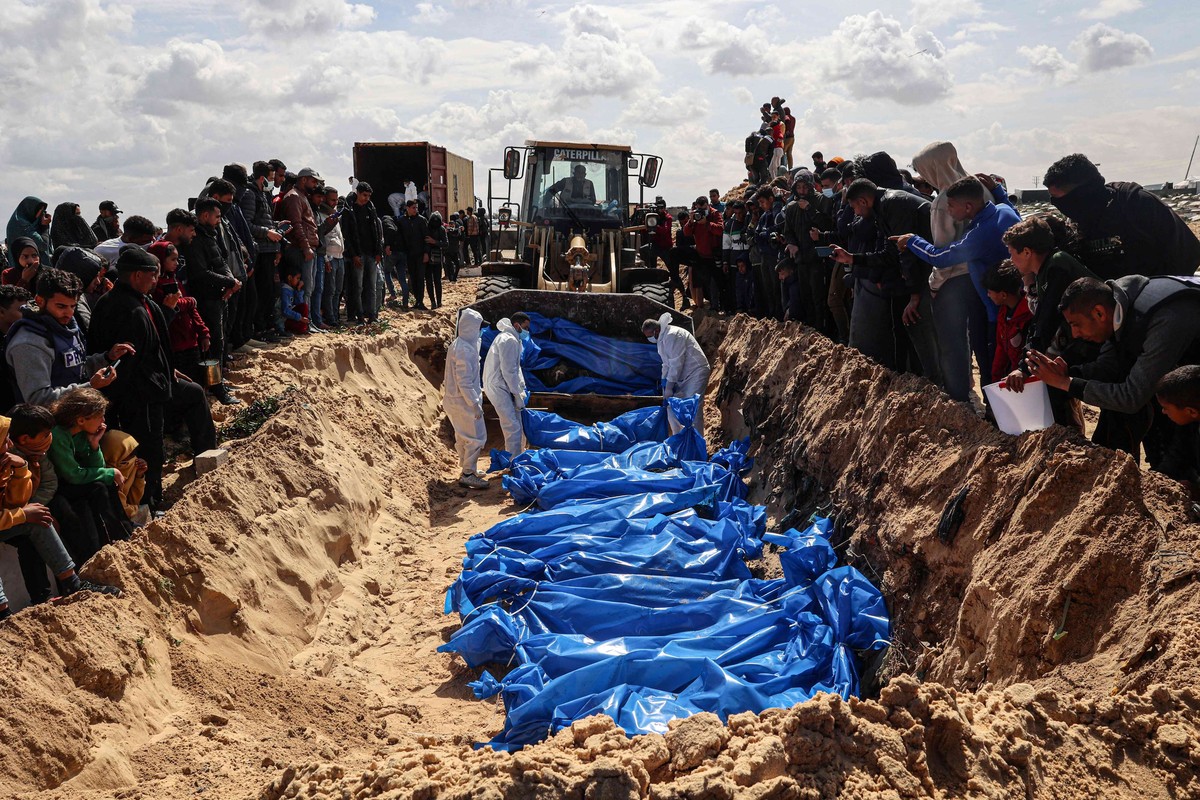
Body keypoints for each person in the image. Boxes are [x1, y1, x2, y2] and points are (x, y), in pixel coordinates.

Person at [1029, 276, 1200, 478]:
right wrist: (1069, 375)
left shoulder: (1163, 319)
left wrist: (1066, 383)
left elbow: (1132, 397)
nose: (1074, 334)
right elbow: (1110, 366)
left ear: (1099, 313)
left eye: (1076, 324)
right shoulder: (1119, 308)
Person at [89, 246, 217, 510]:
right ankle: (150, 500)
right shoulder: (123, 307)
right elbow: (130, 361)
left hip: (158, 380)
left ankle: (206, 455)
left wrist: (168, 370)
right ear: (137, 275)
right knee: (150, 446)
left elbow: (155, 344)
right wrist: (155, 386)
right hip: (140, 394)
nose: (156, 280)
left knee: (193, 393)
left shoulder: (140, 300)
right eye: (153, 274)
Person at [893, 175, 1019, 387]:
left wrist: (912, 240)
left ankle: (994, 413)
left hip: (995, 312)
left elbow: (940, 257)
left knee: (991, 364)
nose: (948, 211)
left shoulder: (979, 235)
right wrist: (997, 190)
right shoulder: (1003, 212)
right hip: (1016, 303)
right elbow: (1010, 207)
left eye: (951, 206)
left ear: (968, 206)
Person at [0, 409, 119, 618]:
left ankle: (73, 584)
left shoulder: (9, 460)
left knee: (39, 520)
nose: (8, 445)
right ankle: (3, 613)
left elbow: (15, 501)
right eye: (4, 441)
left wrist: (20, 470)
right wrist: (22, 514)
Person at [830, 179, 940, 383]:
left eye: (854, 207)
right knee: (907, 328)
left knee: (919, 327)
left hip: (931, 272)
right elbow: (889, 254)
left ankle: (934, 385)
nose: (855, 213)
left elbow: (905, 251)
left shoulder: (894, 204)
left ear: (863, 201)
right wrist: (852, 258)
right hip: (920, 273)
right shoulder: (883, 207)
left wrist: (914, 296)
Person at [910, 141, 991, 403]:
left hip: (954, 282)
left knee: (952, 343)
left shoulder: (944, 200)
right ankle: (992, 401)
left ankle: (959, 398)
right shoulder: (981, 190)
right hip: (983, 276)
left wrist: (934, 284)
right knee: (983, 340)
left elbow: (943, 254)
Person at [1001, 215, 1098, 427]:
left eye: (1011, 254)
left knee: (1057, 391)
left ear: (1027, 252)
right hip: (1081, 341)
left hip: (1096, 341)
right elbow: (1040, 323)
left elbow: (1046, 322)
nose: (1011, 261)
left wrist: (1024, 368)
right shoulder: (1046, 269)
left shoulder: (1057, 266)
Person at [1043, 153, 1200, 279]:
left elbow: (1187, 255)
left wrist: (1153, 294)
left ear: (1084, 193)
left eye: (1061, 199)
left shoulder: (1136, 204)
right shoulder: (1076, 220)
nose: (1060, 206)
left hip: (1155, 304)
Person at [5, 268, 130, 407]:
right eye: (61, 306)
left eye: (73, 306)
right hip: (48, 426)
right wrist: (90, 386)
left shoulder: (65, 327)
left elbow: (73, 368)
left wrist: (106, 358)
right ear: (40, 301)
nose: (69, 313)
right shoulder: (29, 343)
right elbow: (37, 399)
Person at [47, 388, 135, 555]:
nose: (103, 420)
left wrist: (94, 444)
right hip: (59, 487)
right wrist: (110, 473)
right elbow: (72, 474)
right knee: (101, 486)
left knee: (105, 484)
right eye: (99, 416)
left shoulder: (82, 433)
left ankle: (123, 532)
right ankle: (120, 536)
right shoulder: (58, 435)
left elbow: (97, 465)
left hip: (74, 481)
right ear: (81, 420)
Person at [179, 198, 240, 404]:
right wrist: (229, 281)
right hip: (206, 298)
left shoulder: (209, 235)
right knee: (212, 344)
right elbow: (200, 272)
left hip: (219, 295)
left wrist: (231, 282)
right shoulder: (196, 239)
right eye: (217, 216)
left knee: (220, 341)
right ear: (205, 216)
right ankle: (215, 387)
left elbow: (221, 261)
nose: (219, 220)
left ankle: (218, 382)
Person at [444, 309, 489, 489]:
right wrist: (475, 403)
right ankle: (468, 474)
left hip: (456, 399)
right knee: (476, 438)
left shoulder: (459, 344)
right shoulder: (464, 350)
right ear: (471, 328)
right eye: (478, 328)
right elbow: (464, 381)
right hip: (462, 401)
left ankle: (468, 468)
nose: (480, 331)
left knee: (463, 437)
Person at [642, 313, 710, 433]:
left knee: (693, 407)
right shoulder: (661, 339)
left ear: (657, 330)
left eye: (650, 336)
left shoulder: (673, 335)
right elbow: (666, 364)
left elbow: (676, 363)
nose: (650, 339)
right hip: (682, 376)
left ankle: (697, 444)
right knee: (671, 407)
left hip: (696, 372)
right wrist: (664, 381)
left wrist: (669, 385)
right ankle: (677, 437)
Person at [482, 312, 530, 456]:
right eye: (526, 327)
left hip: (502, 385)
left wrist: (520, 388)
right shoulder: (509, 340)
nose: (527, 331)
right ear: (517, 325)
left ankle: (518, 456)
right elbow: (509, 371)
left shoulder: (511, 339)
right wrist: (517, 393)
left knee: (517, 422)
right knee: (512, 425)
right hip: (498, 386)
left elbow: (516, 369)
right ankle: (513, 462)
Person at [340, 182, 383, 323]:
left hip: (371, 254)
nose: (367, 198)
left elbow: (377, 231)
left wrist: (378, 251)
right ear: (357, 193)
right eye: (364, 195)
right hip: (357, 254)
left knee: (372, 286)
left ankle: (372, 315)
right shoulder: (349, 211)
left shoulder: (371, 209)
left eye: (369, 196)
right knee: (357, 287)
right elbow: (347, 235)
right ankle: (359, 316)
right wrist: (353, 254)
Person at [982, 262, 1032, 383]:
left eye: (990, 292)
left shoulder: (1030, 314)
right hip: (1013, 378)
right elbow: (1001, 349)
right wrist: (996, 379)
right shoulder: (1003, 314)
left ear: (1003, 295)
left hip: (1027, 379)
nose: (988, 295)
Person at [280, 167, 322, 310]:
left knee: (309, 288)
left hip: (307, 248)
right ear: (303, 179)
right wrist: (306, 247)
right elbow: (296, 224)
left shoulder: (302, 196)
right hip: (300, 249)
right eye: (313, 181)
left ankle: (307, 320)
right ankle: (303, 321)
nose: (315, 185)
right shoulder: (294, 197)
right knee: (302, 287)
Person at [682, 196, 724, 311]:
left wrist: (707, 223)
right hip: (701, 255)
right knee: (699, 281)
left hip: (713, 255)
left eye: (703, 209)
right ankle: (701, 305)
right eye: (699, 209)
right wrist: (691, 221)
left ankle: (716, 306)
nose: (701, 212)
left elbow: (720, 229)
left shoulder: (715, 214)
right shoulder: (696, 217)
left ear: (708, 206)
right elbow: (686, 232)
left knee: (714, 282)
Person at [397, 200, 429, 311]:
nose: (416, 210)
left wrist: (426, 253)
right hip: (409, 254)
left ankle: (420, 301)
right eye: (413, 208)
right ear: (407, 208)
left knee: (420, 278)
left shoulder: (421, 220)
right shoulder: (402, 221)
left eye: (416, 208)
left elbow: (426, 238)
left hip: (420, 254)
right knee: (413, 278)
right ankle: (416, 300)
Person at [7, 197, 53, 270]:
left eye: (43, 210)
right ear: (29, 209)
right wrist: (45, 226)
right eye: (39, 210)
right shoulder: (22, 225)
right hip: (25, 270)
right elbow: (43, 245)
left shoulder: (30, 224)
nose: (41, 213)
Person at [424, 212, 447, 309]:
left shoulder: (441, 230)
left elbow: (446, 243)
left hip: (436, 258)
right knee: (430, 281)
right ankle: (433, 301)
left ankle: (438, 302)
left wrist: (434, 242)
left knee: (437, 281)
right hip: (428, 257)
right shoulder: (427, 228)